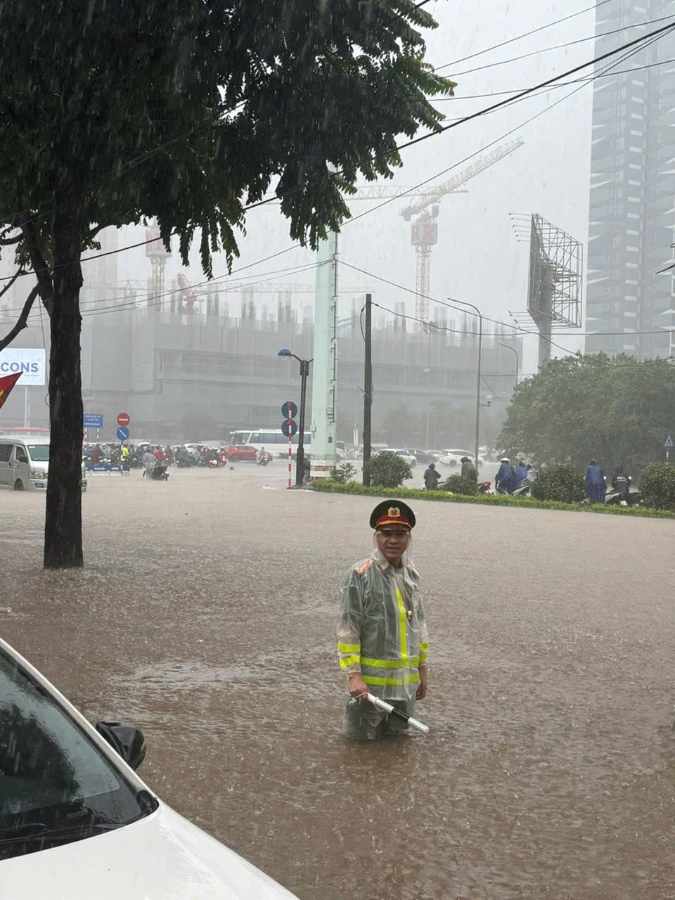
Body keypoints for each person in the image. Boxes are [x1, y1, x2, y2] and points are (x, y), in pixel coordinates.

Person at [337, 500, 429, 741]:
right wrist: (353, 675)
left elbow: (418, 626)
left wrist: (422, 669)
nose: (393, 540)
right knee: (359, 749)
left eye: (400, 534)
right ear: (376, 537)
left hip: (404, 686)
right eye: (386, 534)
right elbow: (349, 629)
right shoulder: (360, 575)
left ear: (409, 538)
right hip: (369, 689)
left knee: (397, 747)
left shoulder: (411, 574)